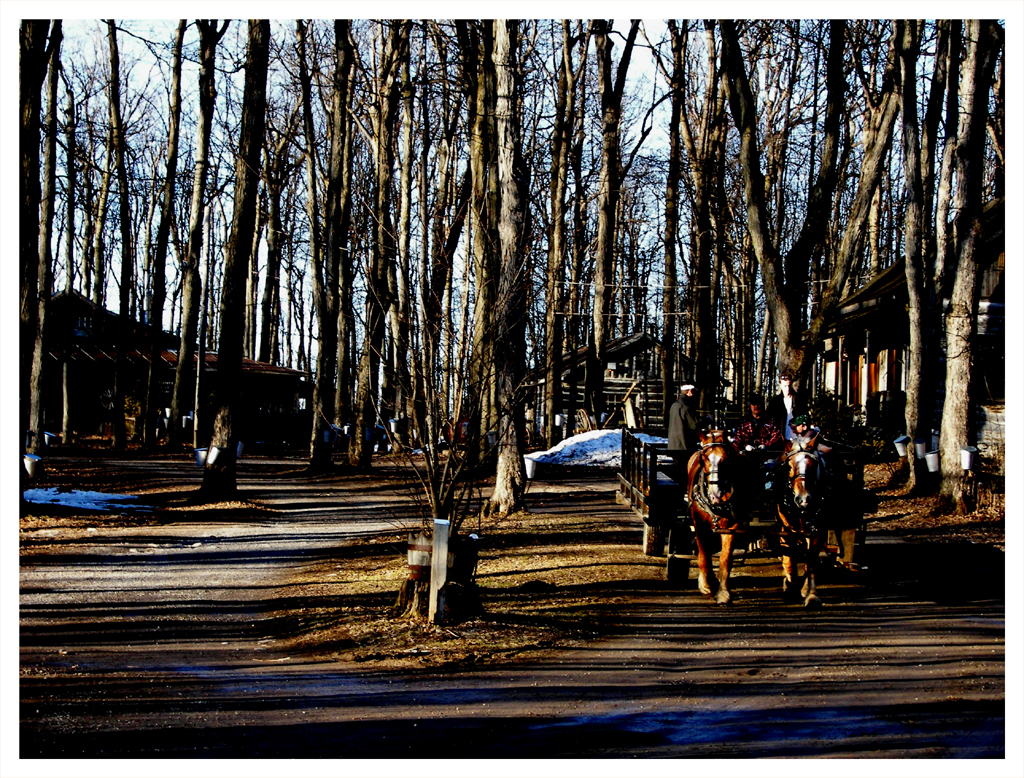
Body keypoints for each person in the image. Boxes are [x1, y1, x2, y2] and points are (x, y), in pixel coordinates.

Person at [668, 382, 700, 484]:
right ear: (690, 392)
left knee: (679, 471)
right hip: (685, 445)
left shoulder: (675, 405)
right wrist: (707, 420)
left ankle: (679, 492)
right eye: (694, 391)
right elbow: (694, 425)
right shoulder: (687, 407)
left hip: (674, 444)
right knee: (686, 472)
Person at [767, 371, 808, 442]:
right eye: (785, 386)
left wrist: (803, 426)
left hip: (799, 438)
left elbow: (806, 417)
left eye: (789, 386)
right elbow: (769, 421)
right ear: (780, 385)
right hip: (780, 439)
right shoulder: (774, 402)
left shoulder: (799, 400)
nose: (788, 389)